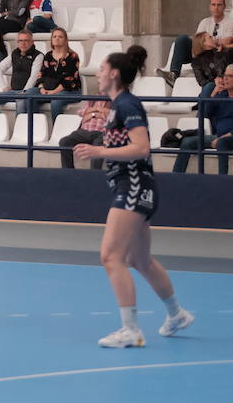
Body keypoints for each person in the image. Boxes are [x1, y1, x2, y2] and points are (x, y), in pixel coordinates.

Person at [73, 46, 193, 347]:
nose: (98, 74)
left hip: (134, 186)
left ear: (114, 74)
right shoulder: (118, 105)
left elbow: (141, 148)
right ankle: (177, 314)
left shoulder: (127, 104)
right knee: (140, 260)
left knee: (111, 256)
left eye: (102, 69)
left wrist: (99, 151)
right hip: (136, 187)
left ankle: (131, 329)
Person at [174, 65, 233, 174]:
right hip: (219, 135)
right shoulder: (222, 95)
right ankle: (176, 176)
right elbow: (206, 113)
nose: (225, 79)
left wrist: (223, 137)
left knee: (221, 143)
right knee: (187, 142)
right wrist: (213, 94)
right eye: (224, 75)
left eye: (230, 76)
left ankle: (221, 178)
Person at [158, 0, 230, 86]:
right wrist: (209, 43)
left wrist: (211, 42)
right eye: (213, 5)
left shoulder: (230, 22)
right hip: (201, 55)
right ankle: (174, 74)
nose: (216, 8)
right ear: (210, 7)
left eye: (219, 5)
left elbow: (229, 40)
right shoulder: (205, 22)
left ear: (224, 6)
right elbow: (197, 41)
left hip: (218, 56)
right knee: (182, 39)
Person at [20, 27, 81, 118]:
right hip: (49, 89)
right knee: (29, 93)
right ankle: (36, 124)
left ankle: (57, 126)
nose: (57, 39)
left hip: (69, 90)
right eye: (54, 36)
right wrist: (42, 89)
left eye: (60, 37)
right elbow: (41, 75)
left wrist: (53, 92)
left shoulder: (72, 56)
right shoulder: (48, 56)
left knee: (55, 101)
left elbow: (69, 79)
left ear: (65, 40)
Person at [0, 31, 44, 112]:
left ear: (32, 42)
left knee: (20, 102)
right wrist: (4, 87)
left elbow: (34, 77)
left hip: (29, 92)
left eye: (26, 40)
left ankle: (19, 121)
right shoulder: (15, 53)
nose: (23, 43)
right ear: (17, 42)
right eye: (20, 41)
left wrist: (25, 92)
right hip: (13, 92)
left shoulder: (38, 56)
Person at [59, 96, 110, 169]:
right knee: (64, 142)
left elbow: (114, 114)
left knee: (98, 146)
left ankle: (94, 173)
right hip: (84, 131)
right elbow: (80, 112)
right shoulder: (92, 100)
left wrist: (90, 113)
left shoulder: (113, 101)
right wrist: (96, 112)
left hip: (100, 132)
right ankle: (68, 171)